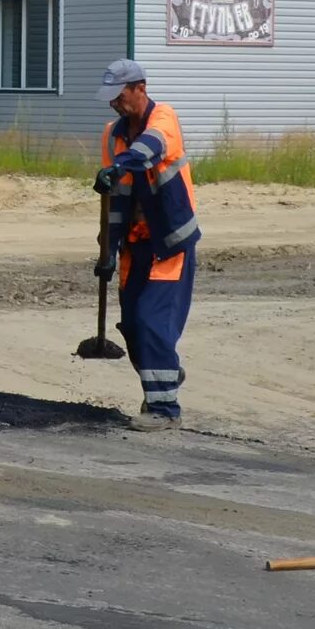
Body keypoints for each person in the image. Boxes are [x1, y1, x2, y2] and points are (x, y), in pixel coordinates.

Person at [93, 59, 200, 429]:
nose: (114, 105)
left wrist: (119, 165)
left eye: (119, 97)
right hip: (134, 244)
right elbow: (117, 199)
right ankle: (165, 374)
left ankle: (164, 411)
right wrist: (107, 249)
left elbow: (149, 149)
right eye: (110, 99)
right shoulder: (112, 134)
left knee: (152, 321)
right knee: (134, 328)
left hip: (168, 241)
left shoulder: (164, 119)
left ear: (140, 88)